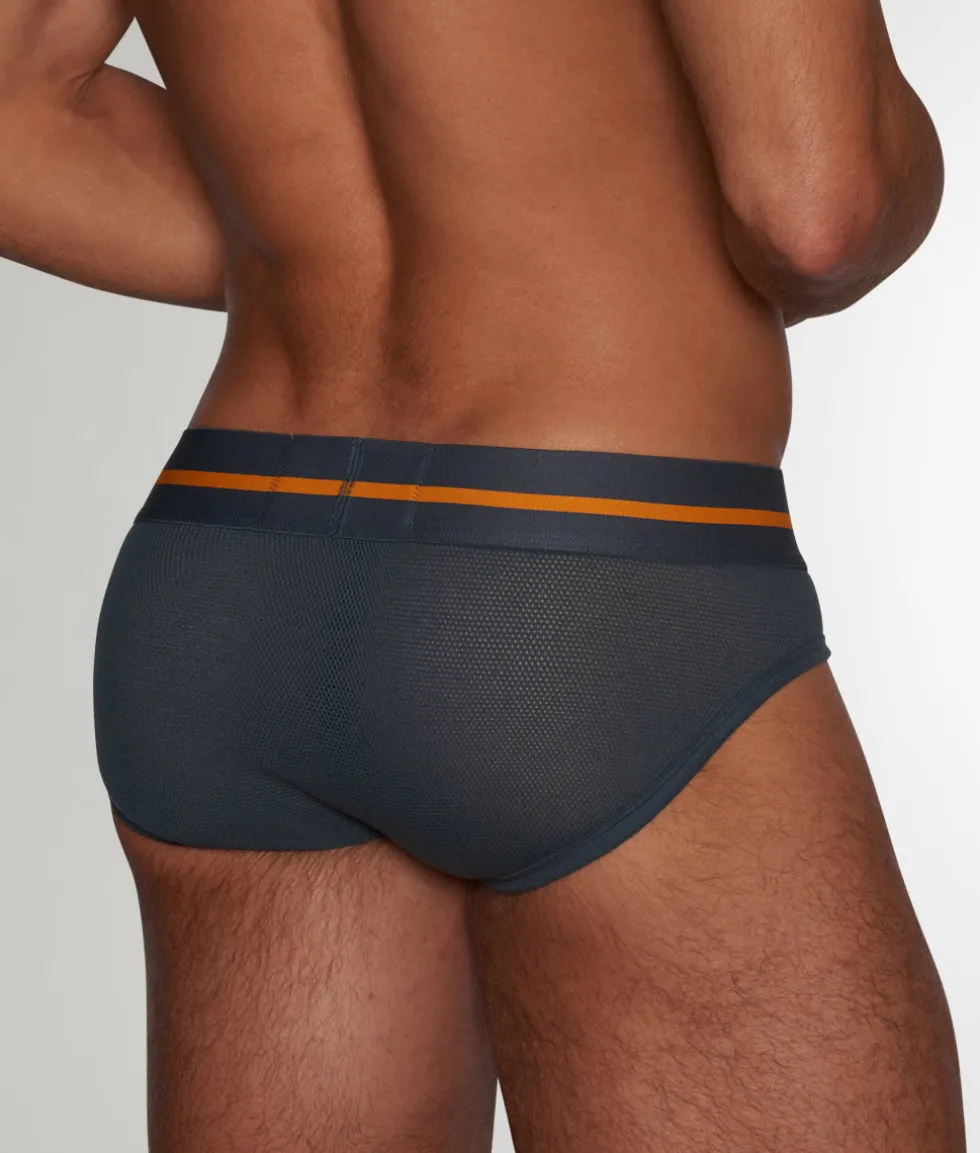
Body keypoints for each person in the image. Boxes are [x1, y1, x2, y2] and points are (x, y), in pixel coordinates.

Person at [0, 1, 963, 1150]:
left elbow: (14, 119)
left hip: (231, 577)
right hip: (580, 581)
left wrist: (312, 245)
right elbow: (815, 204)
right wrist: (911, 166)